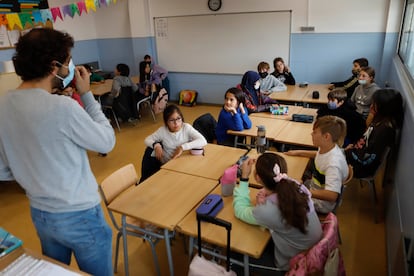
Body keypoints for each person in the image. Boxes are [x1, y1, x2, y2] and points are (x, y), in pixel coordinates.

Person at [0, 28, 115, 276]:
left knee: (57, 271)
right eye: (67, 61)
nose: (69, 66)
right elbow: (106, 142)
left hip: (41, 214)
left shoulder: (4, 105)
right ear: (55, 66)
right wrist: (86, 94)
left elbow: (4, 169)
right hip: (80, 214)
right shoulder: (62, 107)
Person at [233, 152, 322, 271]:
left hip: (294, 263)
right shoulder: (295, 185)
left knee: (235, 254)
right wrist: (266, 192)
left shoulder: (267, 211)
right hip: (313, 249)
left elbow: (240, 210)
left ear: (258, 178)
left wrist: (244, 177)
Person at [285, 116, 349, 214]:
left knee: (284, 198)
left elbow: (332, 195)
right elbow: (319, 155)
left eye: (315, 132)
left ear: (326, 136)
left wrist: (303, 190)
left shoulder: (333, 164)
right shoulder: (328, 147)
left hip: (321, 204)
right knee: (290, 183)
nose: (311, 134)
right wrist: (298, 152)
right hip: (315, 186)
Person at [139, 104, 207, 182]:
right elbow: (147, 139)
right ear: (166, 122)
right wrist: (156, 145)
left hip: (185, 164)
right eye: (171, 120)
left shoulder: (186, 128)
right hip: (169, 166)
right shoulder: (163, 131)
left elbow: (203, 140)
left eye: (178, 119)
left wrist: (182, 147)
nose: (176, 123)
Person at [345, 89, 403, 178]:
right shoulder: (379, 119)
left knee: (329, 158)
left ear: (384, 108)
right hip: (357, 153)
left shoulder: (385, 131)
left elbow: (366, 159)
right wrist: (352, 147)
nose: (371, 107)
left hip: (361, 167)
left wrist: (349, 151)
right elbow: (366, 134)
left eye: (374, 104)